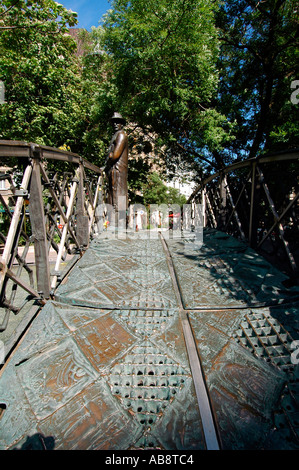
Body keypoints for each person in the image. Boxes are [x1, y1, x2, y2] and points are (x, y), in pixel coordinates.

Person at [105, 112, 128, 228]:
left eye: (117, 122)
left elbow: (114, 155)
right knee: (112, 199)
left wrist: (109, 156)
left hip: (118, 172)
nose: (115, 124)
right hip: (113, 172)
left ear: (122, 124)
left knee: (118, 199)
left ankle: (119, 228)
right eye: (113, 122)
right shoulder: (115, 136)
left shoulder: (121, 135)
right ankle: (114, 227)